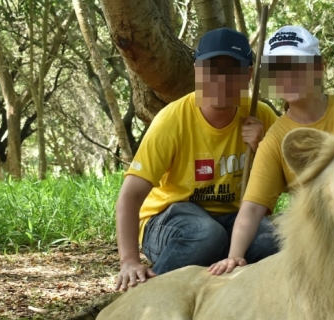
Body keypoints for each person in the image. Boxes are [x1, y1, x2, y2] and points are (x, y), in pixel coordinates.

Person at [208, 25, 334, 276]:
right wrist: (234, 257)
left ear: (318, 68)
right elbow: (252, 208)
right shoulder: (276, 137)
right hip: (324, 239)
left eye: (297, 65)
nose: (288, 75)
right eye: (278, 68)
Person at [115, 28, 279, 291]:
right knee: (205, 235)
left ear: (248, 75)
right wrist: (129, 260)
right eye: (211, 69)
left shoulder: (261, 115)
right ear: (197, 72)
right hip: (171, 219)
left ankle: (224, 300)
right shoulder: (173, 120)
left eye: (232, 70)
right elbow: (130, 195)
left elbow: (290, 180)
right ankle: (151, 297)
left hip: (234, 221)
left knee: (272, 241)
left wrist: (263, 147)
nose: (221, 80)